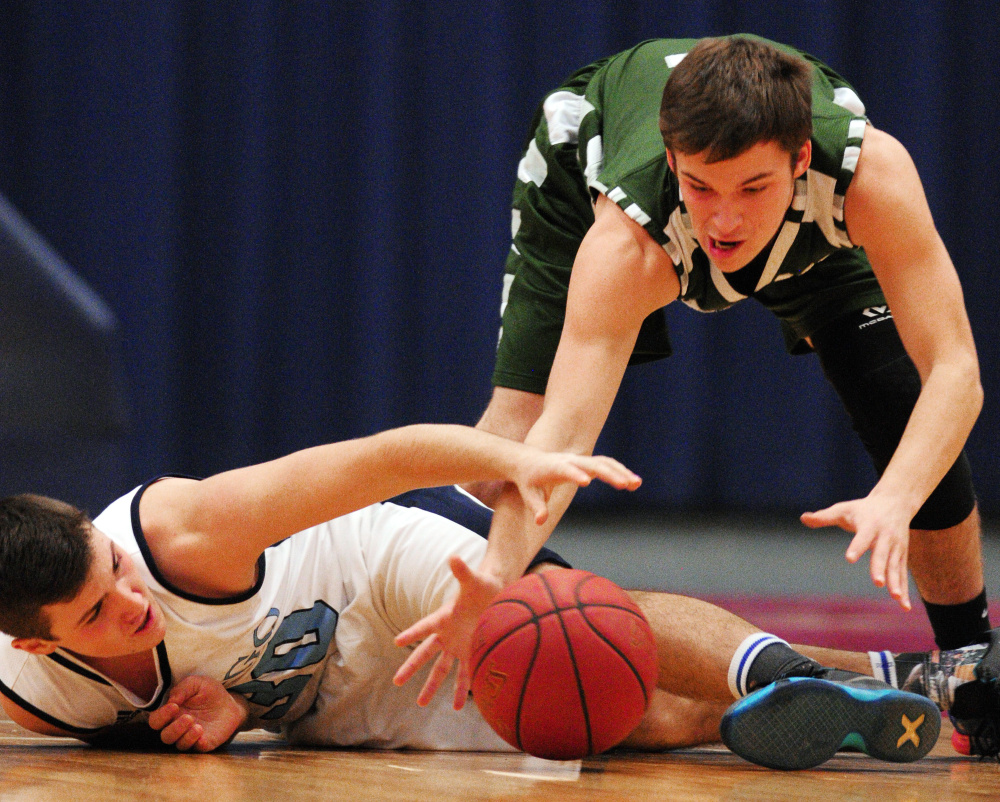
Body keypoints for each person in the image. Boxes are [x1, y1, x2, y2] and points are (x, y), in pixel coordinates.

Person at [394, 35, 990, 752]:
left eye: (752, 188)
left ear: (802, 161)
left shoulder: (869, 177)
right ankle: (416, 612)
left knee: (899, 400)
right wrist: (494, 572)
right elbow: (561, 439)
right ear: (673, 161)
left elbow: (956, 369)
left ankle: (966, 666)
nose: (724, 221)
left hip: (813, 234)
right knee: (510, 443)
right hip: (578, 163)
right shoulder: (624, 246)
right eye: (701, 187)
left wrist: (896, 498)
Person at [0, 422, 996, 769]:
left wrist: (526, 459)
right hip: (334, 702)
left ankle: (865, 673)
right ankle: (859, 696)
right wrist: (244, 703)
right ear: (40, 646)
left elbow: (386, 458)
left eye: (112, 566)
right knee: (598, 711)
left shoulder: (187, 531)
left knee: (572, 626)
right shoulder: (29, 693)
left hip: (361, 570)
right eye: (95, 612)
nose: (129, 597)